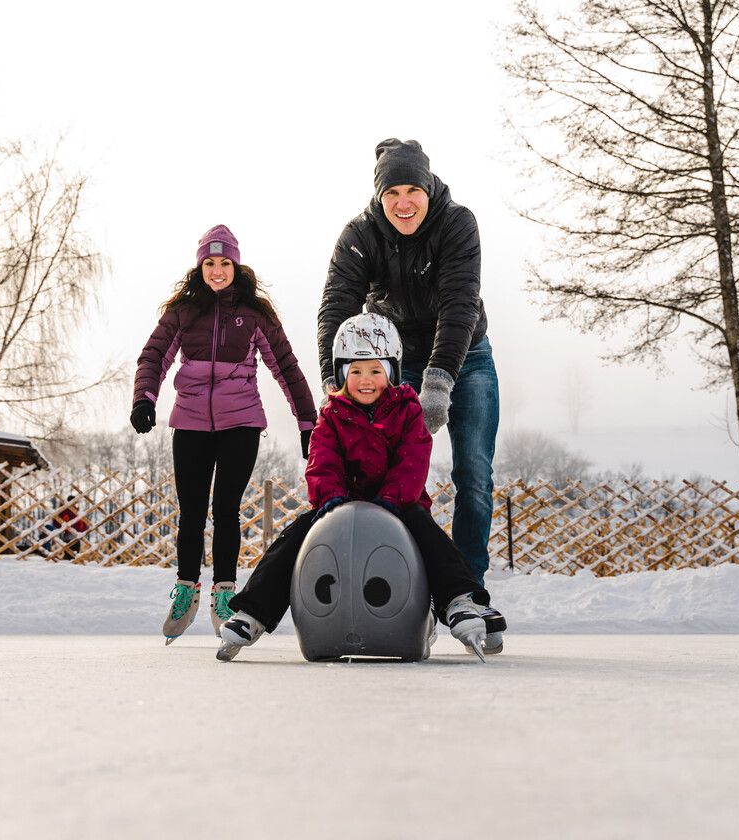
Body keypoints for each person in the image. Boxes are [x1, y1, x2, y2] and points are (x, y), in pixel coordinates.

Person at [316, 138, 506, 654]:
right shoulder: (359, 236)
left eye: (413, 191)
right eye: (393, 193)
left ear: (428, 188)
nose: (404, 203)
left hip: (466, 355)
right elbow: (336, 306)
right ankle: (410, 589)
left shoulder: (457, 223)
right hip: (393, 360)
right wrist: (336, 386)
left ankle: (468, 593)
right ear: (380, 197)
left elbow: (460, 305)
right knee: (391, 477)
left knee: (474, 474)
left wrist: (440, 380)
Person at [216, 313, 496, 662]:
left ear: (391, 372)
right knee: (295, 536)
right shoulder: (331, 415)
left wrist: (391, 502)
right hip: (341, 504)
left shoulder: (408, 412)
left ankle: (459, 600)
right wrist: (331, 498)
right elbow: (322, 462)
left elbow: (413, 461)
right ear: (341, 374)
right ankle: (252, 612)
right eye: (356, 371)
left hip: (400, 505)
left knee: (429, 535)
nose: (366, 380)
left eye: (375, 371)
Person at [131, 224, 318, 644]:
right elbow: (155, 354)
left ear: (237, 265)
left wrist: (308, 423)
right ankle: (186, 589)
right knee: (191, 511)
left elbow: (287, 368)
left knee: (227, 509)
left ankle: (224, 594)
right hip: (191, 422)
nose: (218, 270)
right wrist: (145, 397)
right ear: (200, 267)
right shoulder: (182, 311)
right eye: (210, 263)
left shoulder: (255, 315)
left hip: (242, 423)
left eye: (225, 263)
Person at [49, 494, 88, 562]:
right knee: (70, 554)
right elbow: (59, 521)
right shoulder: (66, 510)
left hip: (76, 535)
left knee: (74, 554)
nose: (75, 503)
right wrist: (65, 528)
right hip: (69, 535)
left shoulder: (74, 511)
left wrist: (82, 529)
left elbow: (81, 522)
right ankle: (69, 566)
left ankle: (71, 566)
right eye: (74, 501)